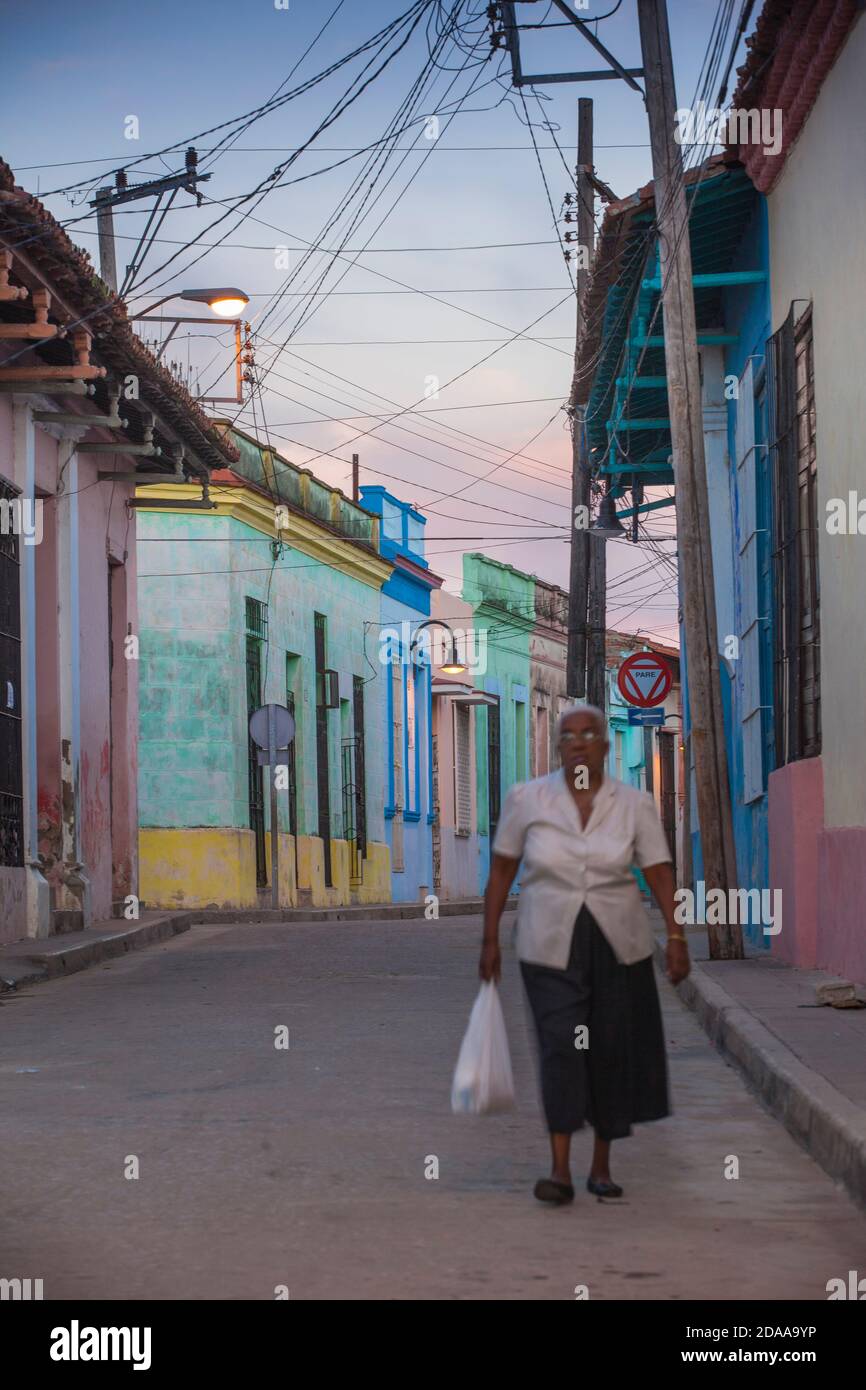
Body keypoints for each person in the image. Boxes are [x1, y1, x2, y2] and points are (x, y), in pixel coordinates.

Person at [479, 702, 690, 1205]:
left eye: (588, 733)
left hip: (620, 944)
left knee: (610, 1048)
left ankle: (601, 1166)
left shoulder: (633, 804)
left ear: (605, 744)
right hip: (547, 943)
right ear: (558, 746)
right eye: (568, 734)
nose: (578, 742)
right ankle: (559, 1170)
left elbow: (659, 870)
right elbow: (503, 870)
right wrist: (488, 940)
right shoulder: (527, 799)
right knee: (561, 1047)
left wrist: (677, 936)